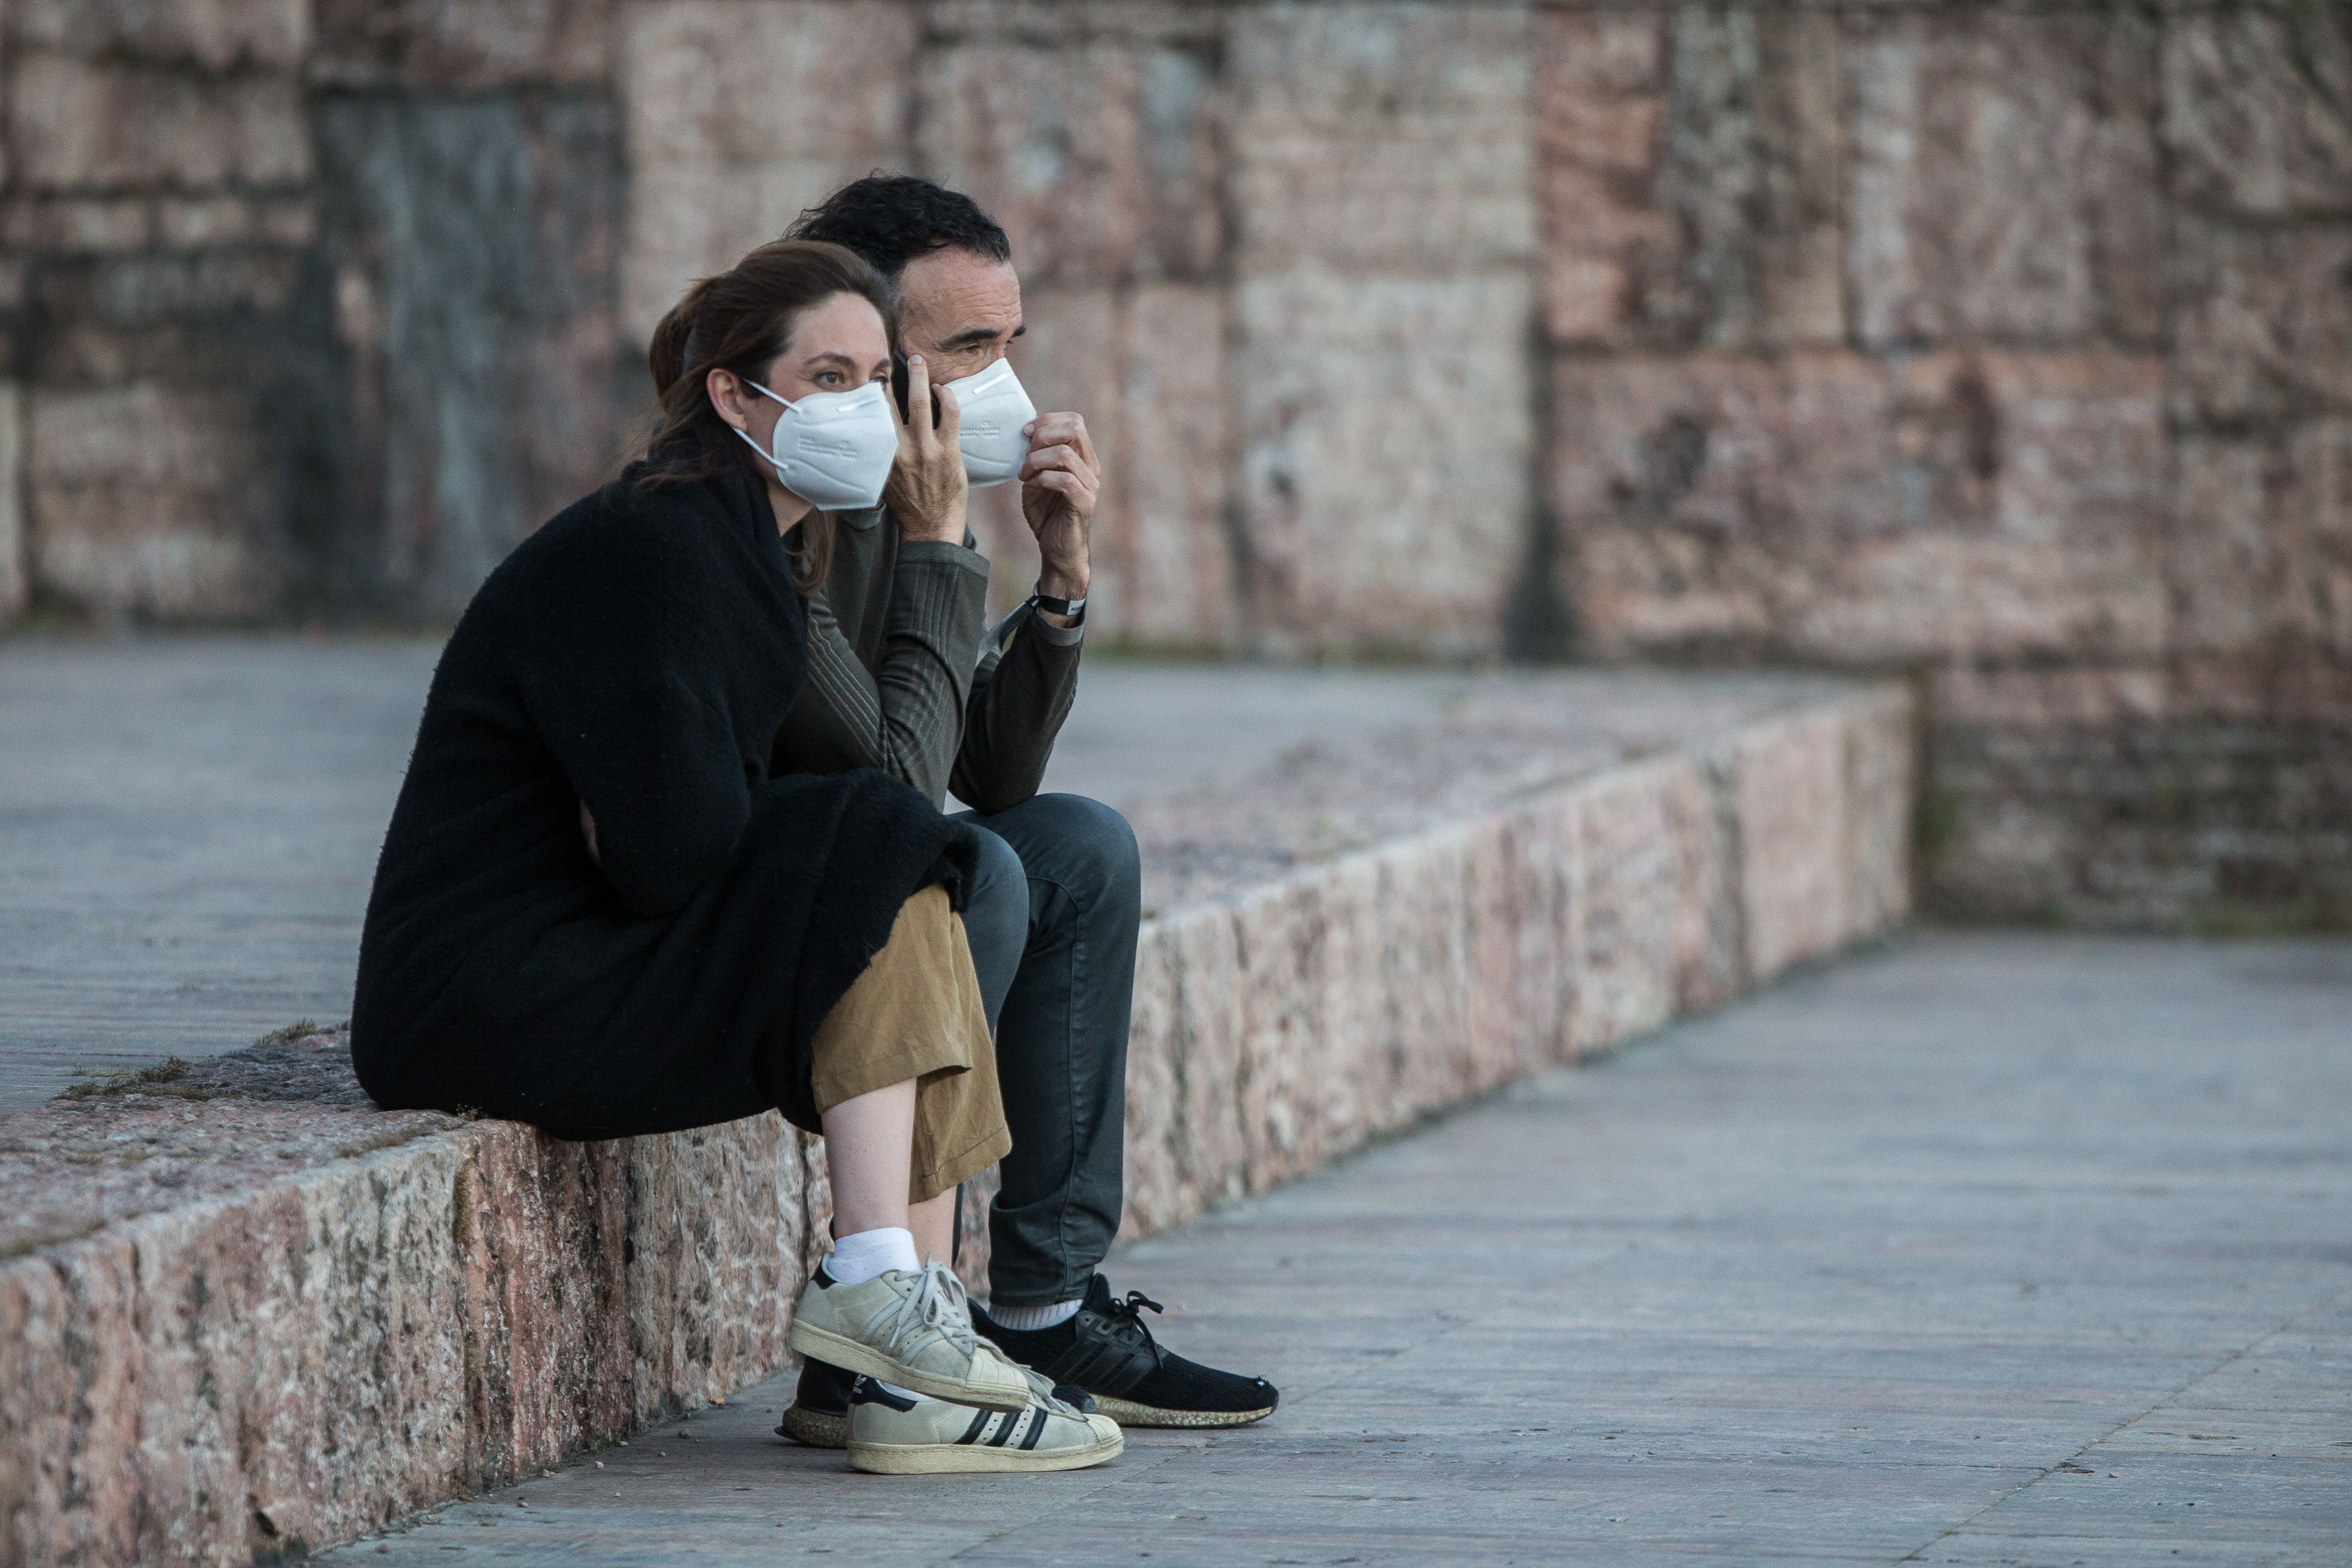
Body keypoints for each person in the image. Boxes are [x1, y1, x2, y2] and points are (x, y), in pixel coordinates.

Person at [350, 238, 1120, 1476]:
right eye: (825, 377)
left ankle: (908, 1325)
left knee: (898, 847)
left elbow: (949, 781)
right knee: (872, 838)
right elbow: (671, 855)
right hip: (487, 999)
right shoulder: (659, 545)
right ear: (732, 393)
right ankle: (887, 1298)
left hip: (572, 964)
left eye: (876, 381)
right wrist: (934, 561)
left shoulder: (750, 539)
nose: (862, 411)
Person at [768, 176, 1279, 1443]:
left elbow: (993, 784)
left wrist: (1057, 581)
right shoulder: (772, 512)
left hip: (855, 891)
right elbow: (898, 800)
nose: (1001, 384)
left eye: (1010, 346)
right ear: (854, 351)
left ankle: (1043, 1310)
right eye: (966, 350)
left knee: (1076, 849)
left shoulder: (907, 490)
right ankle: (892, 1329)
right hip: (740, 927)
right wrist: (944, 548)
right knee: (972, 874)